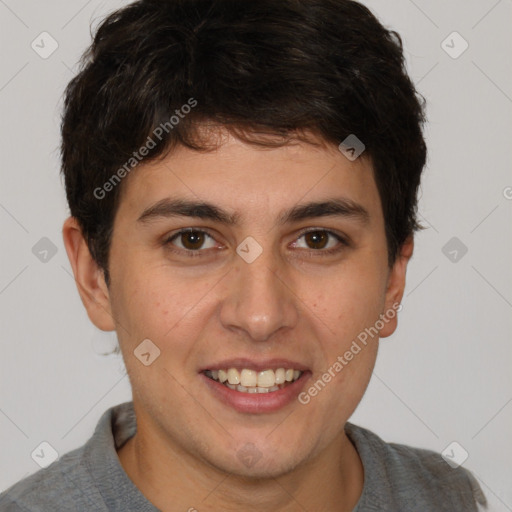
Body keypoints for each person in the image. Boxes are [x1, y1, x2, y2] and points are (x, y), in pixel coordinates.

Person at [0, 0, 488, 510]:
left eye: (318, 239)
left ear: (393, 279)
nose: (260, 316)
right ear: (94, 275)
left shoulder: (451, 498)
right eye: (192, 240)